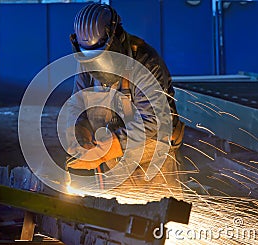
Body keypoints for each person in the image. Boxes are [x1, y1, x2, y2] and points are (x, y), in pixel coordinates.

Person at [65, 3, 185, 198]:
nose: (97, 66)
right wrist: (79, 131)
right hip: (114, 171)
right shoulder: (87, 64)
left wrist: (110, 145)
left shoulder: (146, 61)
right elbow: (76, 106)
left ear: (116, 39)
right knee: (115, 224)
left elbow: (154, 121)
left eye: (102, 57)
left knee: (161, 223)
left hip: (153, 170)